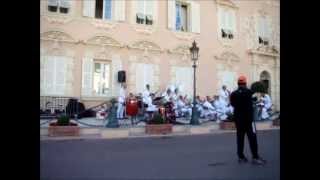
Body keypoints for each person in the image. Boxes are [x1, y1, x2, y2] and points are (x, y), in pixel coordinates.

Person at [230, 75, 266, 165]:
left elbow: (232, 104)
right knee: (252, 138)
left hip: (238, 120)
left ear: (238, 83)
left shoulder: (233, 94)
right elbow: (256, 100)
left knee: (240, 138)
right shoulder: (250, 92)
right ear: (245, 83)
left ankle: (241, 157)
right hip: (249, 120)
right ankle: (255, 157)